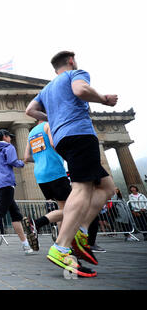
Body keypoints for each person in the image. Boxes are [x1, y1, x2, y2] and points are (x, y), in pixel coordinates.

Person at [25, 50, 117, 277]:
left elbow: (29, 110)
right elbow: (81, 90)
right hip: (79, 133)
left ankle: (81, 230)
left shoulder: (46, 90)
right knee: (82, 188)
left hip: (63, 138)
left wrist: (53, 118)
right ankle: (62, 245)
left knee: (107, 188)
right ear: (71, 61)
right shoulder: (75, 74)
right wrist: (104, 99)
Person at [22, 120, 70, 251]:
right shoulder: (49, 125)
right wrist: (68, 157)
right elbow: (54, 144)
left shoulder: (31, 133)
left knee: (62, 208)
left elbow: (26, 157)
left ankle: (62, 243)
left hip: (41, 174)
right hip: (55, 171)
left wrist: (39, 159)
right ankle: (37, 223)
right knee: (72, 209)